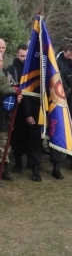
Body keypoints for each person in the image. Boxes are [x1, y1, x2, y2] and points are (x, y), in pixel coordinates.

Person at [0, 53, 22, 183]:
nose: (0, 62)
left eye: (1, 60)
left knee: (4, 144)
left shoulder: (6, 75)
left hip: (3, 116)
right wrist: (12, 94)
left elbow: (10, 89)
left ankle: (3, 168)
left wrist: (15, 96)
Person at [7, 44, 28, 173]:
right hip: (16, 107)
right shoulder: (11, 69)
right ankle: (18, 159)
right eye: (22, 56)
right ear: (17, 55)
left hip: (30, 106)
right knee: (16, 135)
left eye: (26, 56)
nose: (24, 58)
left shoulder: (32, 69)